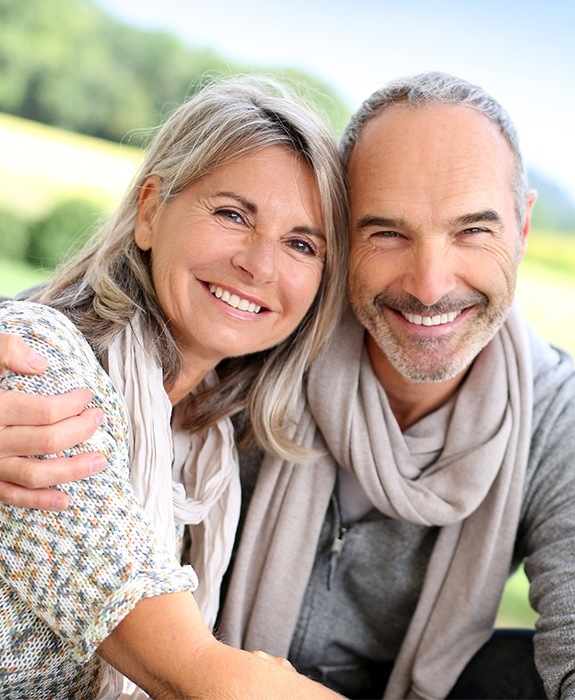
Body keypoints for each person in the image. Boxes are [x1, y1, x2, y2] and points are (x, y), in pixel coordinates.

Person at [2, 71, 575, 699]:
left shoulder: (561, 433)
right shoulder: (247, 357)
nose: (431, 284)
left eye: (473, 230)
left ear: (522, 228)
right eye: (387, 231)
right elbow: (57, 338)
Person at [0, 76, 348, 699]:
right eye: (233, 214)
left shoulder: (213, 446)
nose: (259, 264)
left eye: (301, 244)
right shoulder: (40, 366)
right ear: (151, 211)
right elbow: (202, 679)